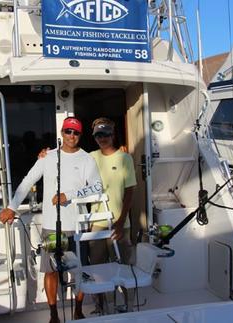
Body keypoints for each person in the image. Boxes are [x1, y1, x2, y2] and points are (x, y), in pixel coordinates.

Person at [0, 117, 102, 323]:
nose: (71, 136)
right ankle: (53, 313)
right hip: (51, 226)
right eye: (68, 132)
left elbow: (97, 187)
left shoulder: (87, 159)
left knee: (79, 272)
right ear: (62, 133)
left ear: (80, 136)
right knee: (51, 270)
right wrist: (11, 207)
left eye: (76, 133)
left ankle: (78, 310)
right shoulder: (47, 156)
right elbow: (28, 180)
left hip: (77, 226)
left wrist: (69, 195)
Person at [88, 117, 137, 312]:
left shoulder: (125, 158)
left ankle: (129, 306)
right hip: (97, 223)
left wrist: (121, 220)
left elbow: (130, 191)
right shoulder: (90, 157)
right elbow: (67, 157)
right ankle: (101, 307)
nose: (102, 138)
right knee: (97, 268)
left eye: (106, 134)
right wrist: (46, 154)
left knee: (124, 267)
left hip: (120, 224)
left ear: (112, 135)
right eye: (99, 135)